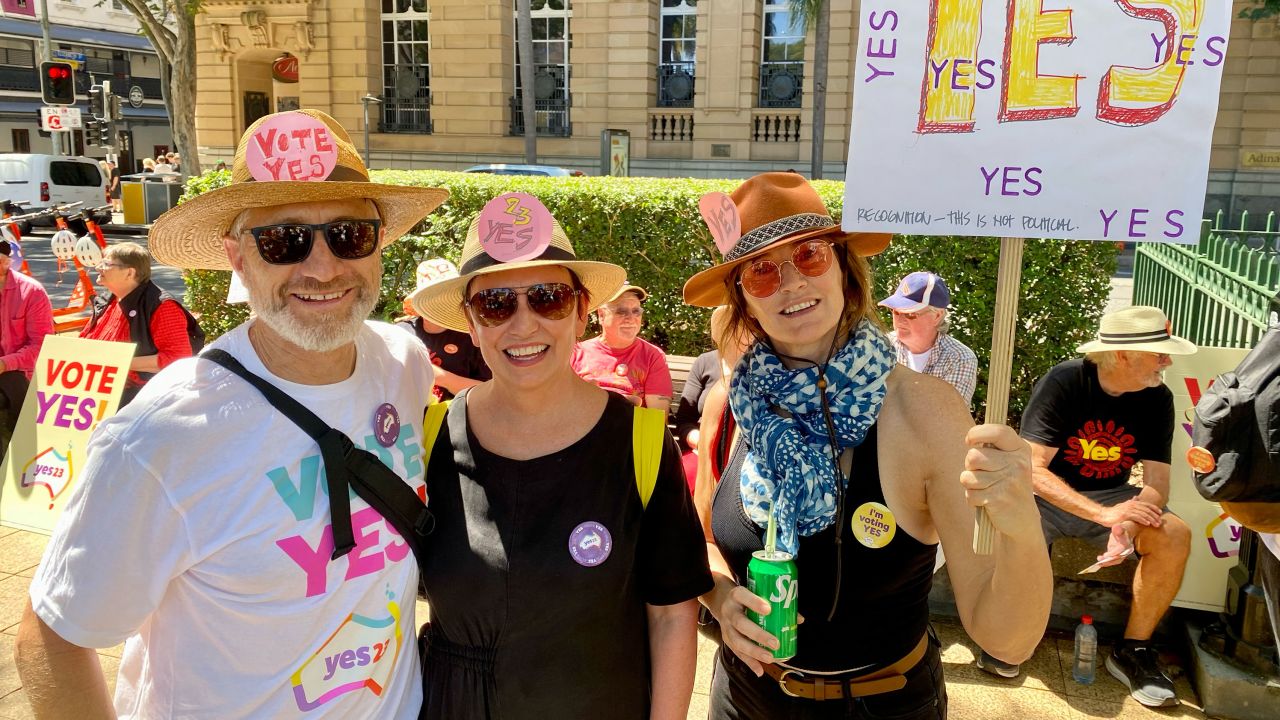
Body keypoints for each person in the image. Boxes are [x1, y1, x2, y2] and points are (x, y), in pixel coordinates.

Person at [14, 109, 449, 717]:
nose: (323, 269)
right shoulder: (161, 437)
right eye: (283, 240)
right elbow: (54, 632)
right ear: (237, 259)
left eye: (349, 234)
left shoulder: (403, 363)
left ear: (380, 246)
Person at [683, 172, 1052, 718]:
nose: (790, 283)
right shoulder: (732, 403)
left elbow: (1008, 641)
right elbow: (704, 541)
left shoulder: (925, 411)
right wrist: (717, 597)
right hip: (745, 697)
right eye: (760, 272)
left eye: (809, 256)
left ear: (843, 269)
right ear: (742, 302)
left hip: (883, 703)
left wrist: (1022, 525)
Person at [408, 194, 712, 719]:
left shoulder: (639, 443)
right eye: (496, 304)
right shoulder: (430, 437)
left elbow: (671, 615)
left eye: (546, 297)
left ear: (579, 312)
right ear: (472, 324)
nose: (522, 325)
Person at [1007, 305, 1194, 707]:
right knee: (1016, 520)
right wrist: (1104, 516)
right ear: (1123, 353)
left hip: (1113, 496)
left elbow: (1158, 483)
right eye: (1159, 351)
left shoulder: (1157, 396)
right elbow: (1031, 471)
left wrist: (1127, 521)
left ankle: (1134, 650)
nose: (1168, 360)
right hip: (1049, 495)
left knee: (1174, 533)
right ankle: (1010, 635)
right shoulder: (1066, 381)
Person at [79, 242, 200, 406]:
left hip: (138, 400)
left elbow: (177, 358)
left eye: (106, 264)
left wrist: (116, 362)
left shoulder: (162, 306)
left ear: (130, 273)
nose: (98, 267)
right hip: (98, 392)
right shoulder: (109, 300)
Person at [572, 283, 674, 413]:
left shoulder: (653, 356)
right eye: (621, 311)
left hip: (629, 429)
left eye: (636, 311)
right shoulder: (576, 353)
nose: (631, 318)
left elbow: (658, 417)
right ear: (601, 315)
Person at [397, 257, 490, 400]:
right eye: (430, 296)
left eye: (442, 296)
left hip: (454, 420)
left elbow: (489, 390)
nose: (436, 302)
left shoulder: (470, 336)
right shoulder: (402, 333)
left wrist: (440, 377)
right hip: (405, 419)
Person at [879, 271, 978, 405]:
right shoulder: (879, 346)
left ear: (937, 316)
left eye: (910, 314)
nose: (900, 320)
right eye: (896, 312)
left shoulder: (960, 358)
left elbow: (946, 416)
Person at [0, 238, 54, 439]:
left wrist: (5, 364)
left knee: (13, 383)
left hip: (20, 372)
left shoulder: (32, 292)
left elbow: (41, 346)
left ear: (6, 263)